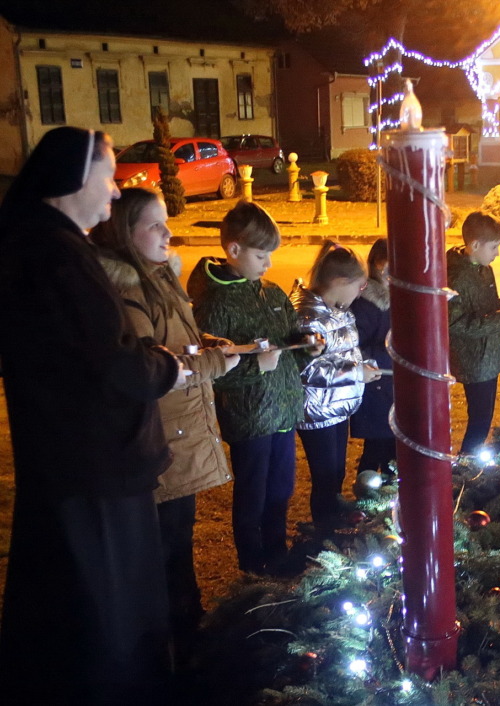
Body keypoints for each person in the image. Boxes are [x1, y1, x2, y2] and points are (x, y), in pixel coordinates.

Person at [0, 127, 181, 703]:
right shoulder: (56, 256)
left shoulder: (44, 244)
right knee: (104, 609)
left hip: (71, 462)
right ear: (71, 180)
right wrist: (166, 367)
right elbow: (109, 363)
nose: (115, 193)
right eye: (108, 177)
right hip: (92, 468)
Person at [90, 187, 239, 658]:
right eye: (154, 224)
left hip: (180, 435)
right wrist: (215, 363)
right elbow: (147, 367)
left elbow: (179, 339)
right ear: (124, 232)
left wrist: (214, 342)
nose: (168, 232)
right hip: (161, 438)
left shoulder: (158, 277)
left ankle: (185, 631)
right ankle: (175, 646)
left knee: (179, 540)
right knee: (165, 551)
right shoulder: (129, 289)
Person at [187, 201, 307, 574]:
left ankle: (278, 555)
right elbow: (212, 371)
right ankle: (253, 569)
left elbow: (289, 341)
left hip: (283, 412)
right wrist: (256, 367)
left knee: (281, 490)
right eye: (261, 255)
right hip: (250, 419)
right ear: (234, 250)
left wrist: (307, 343)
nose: (268, 264)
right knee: (253, 496)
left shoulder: (270, 293)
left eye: (271, 255)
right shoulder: (215, 302)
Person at [290, 241, 381, 530]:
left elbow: (345, 352)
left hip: (337, 407)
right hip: (317, 411)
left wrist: (362, 367)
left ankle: (333, 529)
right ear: (341, 282)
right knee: (326, 477)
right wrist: (356, 373)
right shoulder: (309, 316)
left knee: (336, 474)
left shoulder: (338, 310)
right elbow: (308, 369)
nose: (361, 293)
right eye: (361, 286)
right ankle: (324, 532)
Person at [447, 211, 500, 453]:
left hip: (490, 357)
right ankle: (466, 465)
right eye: (494, 247)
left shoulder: (483, 268)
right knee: (480, 421)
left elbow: (488, 304)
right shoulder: (456, 277)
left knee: (484, 418)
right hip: (474, 361)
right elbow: (457, 323)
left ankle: (470, 464)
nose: (497, 253)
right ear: (474, 245)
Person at [350, 238, 397, 473]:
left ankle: (385, 497)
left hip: (390, 384)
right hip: (377, 387)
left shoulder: (395, 298)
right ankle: (368, 497)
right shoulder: (366, 304)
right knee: (377, 448)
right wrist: (390, 350)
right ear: (381, 265)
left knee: (390, 447)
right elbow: (355, 348)